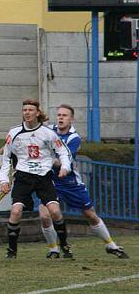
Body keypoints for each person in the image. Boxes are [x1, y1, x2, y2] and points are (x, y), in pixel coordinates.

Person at [38, 104, 129, 259]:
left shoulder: (74, 138)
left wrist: (45, 158)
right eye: (59, 115)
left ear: (71, 119)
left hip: (69, 182)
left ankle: (110, 244)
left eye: (64, 115)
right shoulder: (48, 130)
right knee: (44, 215)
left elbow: (62, 161)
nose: (60, 118)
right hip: (50, 181)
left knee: (90, 214)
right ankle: (53, 249)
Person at [0, 99, 72, 259]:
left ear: (37, 113)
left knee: (54, 211)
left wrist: (65, 167)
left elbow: (63, 152)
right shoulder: (14, 133)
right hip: (23, 176)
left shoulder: (48, 133)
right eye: (24, 110)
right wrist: (3, 180)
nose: (27, 113)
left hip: (43, 177)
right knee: (16, 212)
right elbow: (5, 158)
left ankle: (65, 246)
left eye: (31, 110)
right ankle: (12, 251)